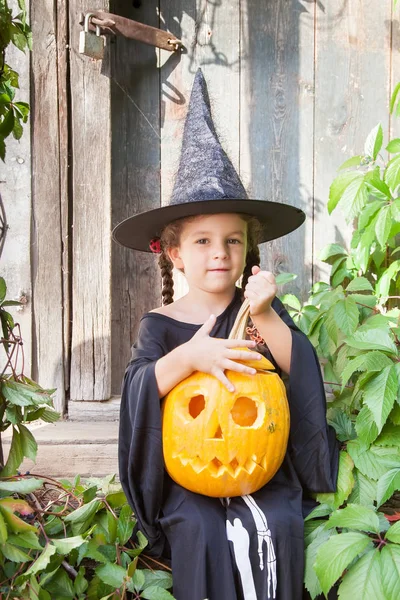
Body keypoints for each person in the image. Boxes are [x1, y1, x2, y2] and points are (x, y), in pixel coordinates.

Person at [113, 69, 338, 600]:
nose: (220, 253)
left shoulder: (255, 310)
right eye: (203, 241)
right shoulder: (161, 325)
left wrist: (265, 316)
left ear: (247, 250)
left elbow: (297, 370)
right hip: (191, 475)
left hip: (262, 466)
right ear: (173, 253)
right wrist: (191, 355)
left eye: (233, 241)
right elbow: (141, 388)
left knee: (280, 522)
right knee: (203, 530)